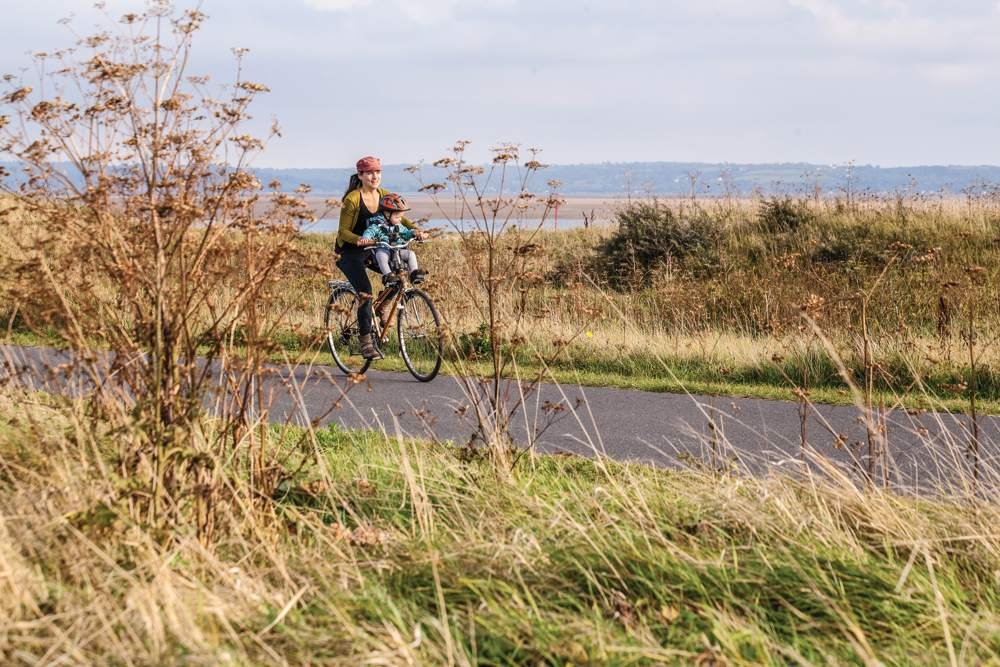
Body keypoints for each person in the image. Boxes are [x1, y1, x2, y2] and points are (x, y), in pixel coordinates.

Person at [335, 156, 422, 360]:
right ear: (361, 175)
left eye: (378, 172)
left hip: (375, 248)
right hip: (349, 252)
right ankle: (365, 341)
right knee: (366, 293)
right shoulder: (352, 199)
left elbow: (400, 217)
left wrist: (415, 230)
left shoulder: (384, 195)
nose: (375, 176)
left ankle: (383, 306)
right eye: (370, 173)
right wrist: (361, 240)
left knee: (397, 273)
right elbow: (342, 232)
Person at [361, 193, 427, 288]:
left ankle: (414, 273)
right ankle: (388, 276)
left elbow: (406, 232)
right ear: (387, 214)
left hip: (397, 251)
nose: (400, 220)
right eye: (397, 217)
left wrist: (414, 233)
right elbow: (370, 231)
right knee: (381, 256)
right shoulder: (377, 226)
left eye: (400, 217)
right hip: (384, 249)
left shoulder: (399, 226)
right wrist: (366, 238)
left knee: (410, 254)